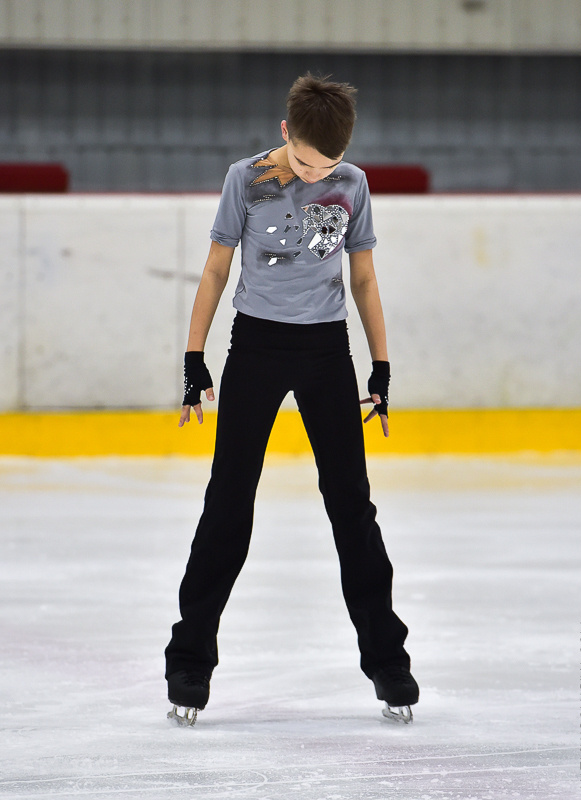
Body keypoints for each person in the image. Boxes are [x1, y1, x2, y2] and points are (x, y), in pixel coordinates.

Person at [165, 72, 419, 722]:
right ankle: (190, 665)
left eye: (326, 165)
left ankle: (389, 665)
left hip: (325, 351)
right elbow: (218, 268)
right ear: (285, 133)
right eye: (304, 160)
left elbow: (362, 277)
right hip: (254, 348)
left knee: (351, 509)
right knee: (227, 507)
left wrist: (381, 365)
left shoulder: (353, 186)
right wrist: (193, 356)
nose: (313, 175)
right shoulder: (244, 179)